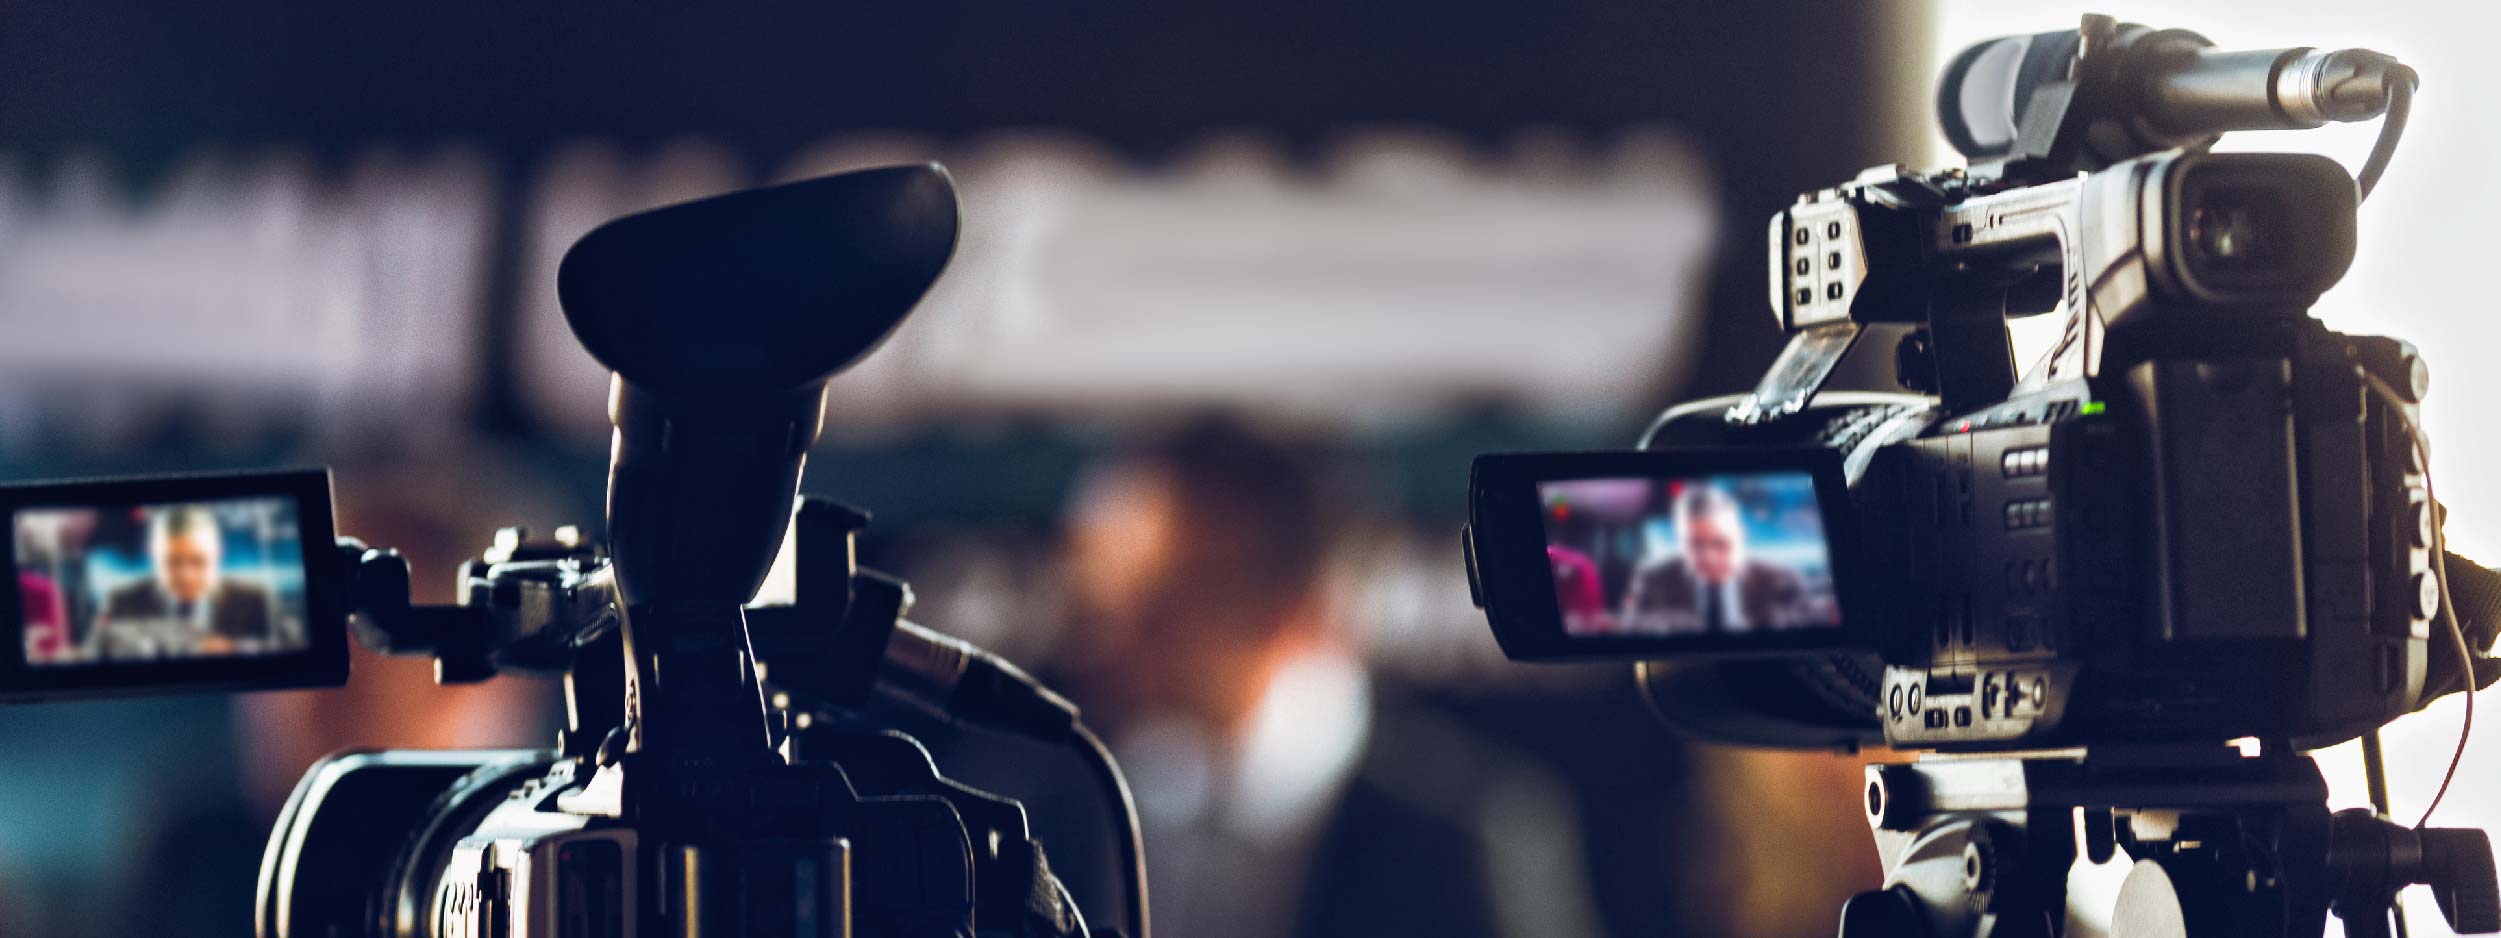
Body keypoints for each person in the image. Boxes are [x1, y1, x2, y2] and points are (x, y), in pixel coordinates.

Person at [1045, 418, 1601, 938]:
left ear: (1284, 612)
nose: (1099, 646)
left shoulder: (1476, 836)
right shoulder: (1069, 807)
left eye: (1155, 614)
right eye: (1095, 608)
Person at [1620, 483, 1810, 634]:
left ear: (1741, 536)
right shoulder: (1653, 578)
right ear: (1681, 542)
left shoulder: (1782, 581)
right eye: (1696, 544)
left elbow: (1805, 632)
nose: (1709, 557)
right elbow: (1631, 630)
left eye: (1720, 543)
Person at [96, 507, 273, 657]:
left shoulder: (257, 601)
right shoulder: (120, 602)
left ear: (218, 553)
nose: (186, 576)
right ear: (153, 554)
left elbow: (283, 654)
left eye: (198, 561)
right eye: (172, 561)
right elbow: (93, 658)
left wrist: (235, 649)